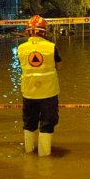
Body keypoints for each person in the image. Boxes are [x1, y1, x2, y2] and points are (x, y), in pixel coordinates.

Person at [17, 15, 61, 156]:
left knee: (29, 123)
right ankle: (44, 156)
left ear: (28, 31)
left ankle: (28, 154)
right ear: (44, 31)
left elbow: (22, 66)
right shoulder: (51, 47)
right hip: (48, 93)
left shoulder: (21, 48)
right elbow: (59, 65)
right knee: (47, 123)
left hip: (29, 92)